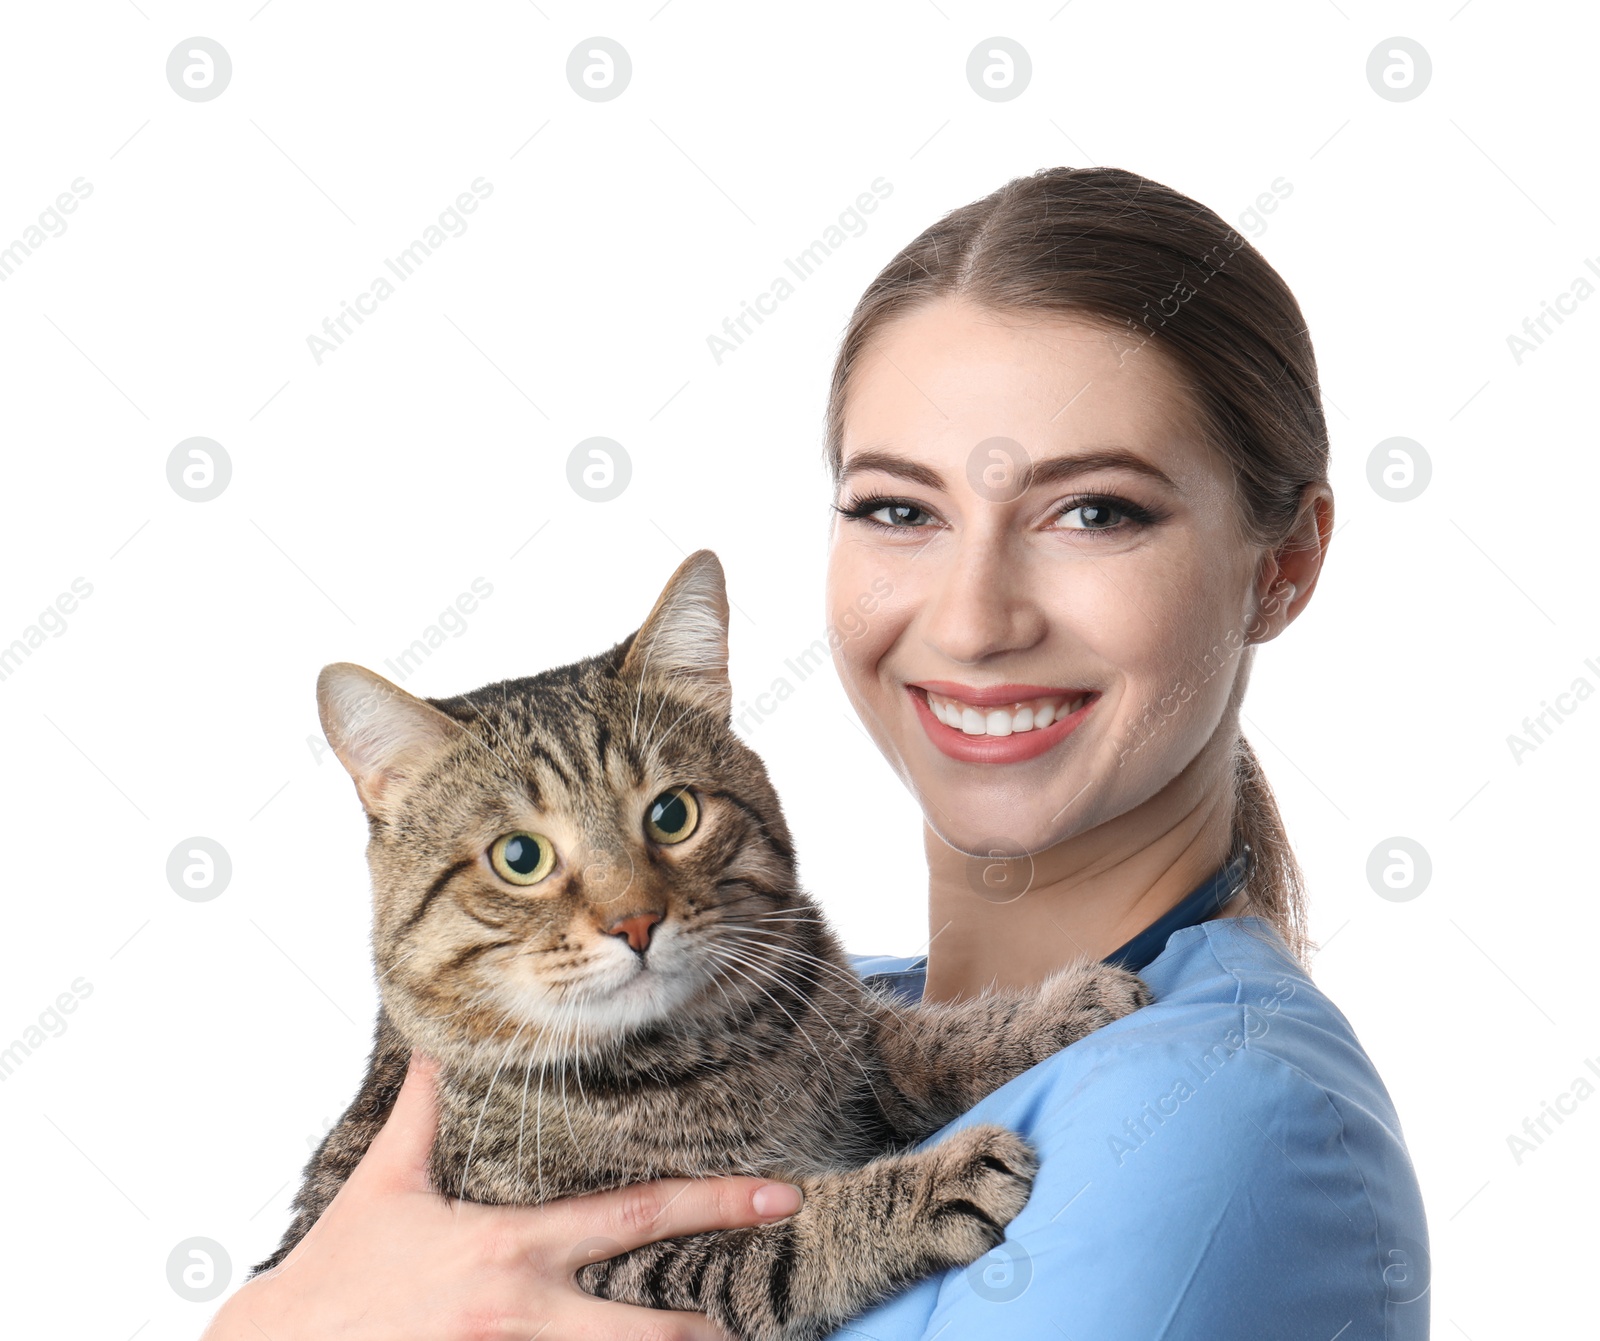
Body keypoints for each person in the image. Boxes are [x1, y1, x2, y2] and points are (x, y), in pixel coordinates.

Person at [203, 165, 1427, 1340]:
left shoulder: (1216, 1120)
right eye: (899, 509)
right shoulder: (808, 995)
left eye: (1093, 511)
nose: (971, 619)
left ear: (1286, 562)